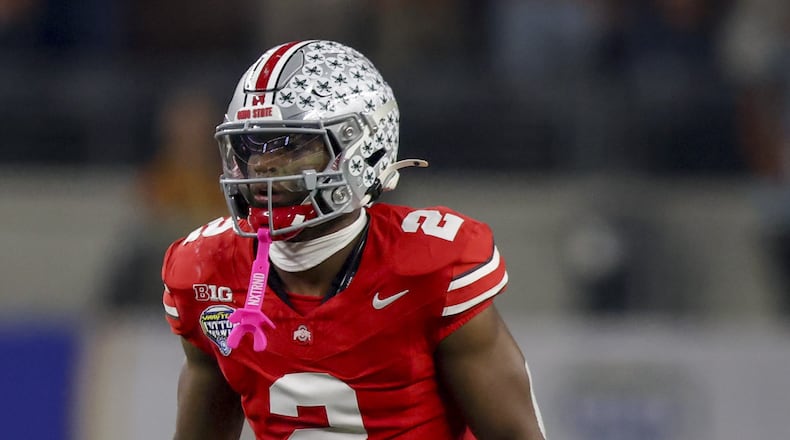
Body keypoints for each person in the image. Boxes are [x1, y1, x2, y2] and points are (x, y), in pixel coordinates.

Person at [161, 39, 547, 439]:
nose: (262, 165)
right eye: (251, 145)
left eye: (292, 146)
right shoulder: (206, 271)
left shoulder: (430, 267)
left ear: (365, 149)